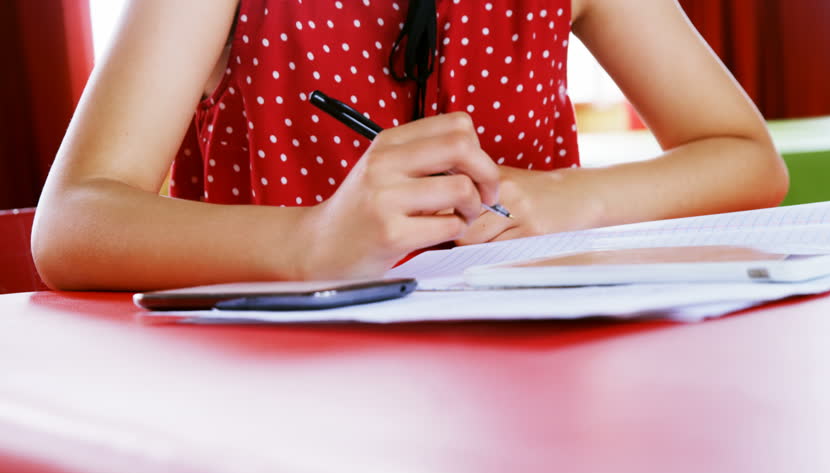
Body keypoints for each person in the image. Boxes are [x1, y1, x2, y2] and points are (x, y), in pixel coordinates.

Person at [32, 0, 789, 291]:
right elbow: (70, 223)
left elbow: (747, 156)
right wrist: (312, 240)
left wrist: (570, 195)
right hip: (279, 393)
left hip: (528, 376)